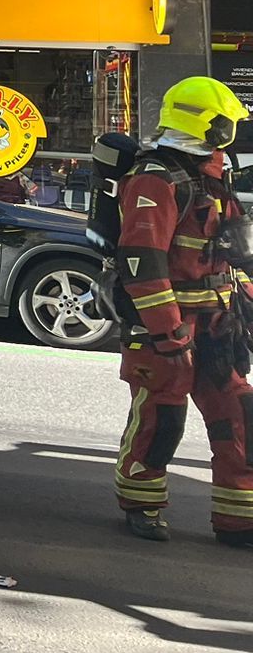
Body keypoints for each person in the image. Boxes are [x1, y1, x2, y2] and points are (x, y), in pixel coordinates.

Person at [110, 76, 253, 547]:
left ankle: (239, 521)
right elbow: (143, 264)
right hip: (167, 332)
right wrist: (169, 335)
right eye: (226, 122)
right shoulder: (155, 178)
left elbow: (231, 253)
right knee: (162, 420)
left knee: (241, 416)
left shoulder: (211, 174)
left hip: (217, 326)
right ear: (207, 124)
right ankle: (142, 503)